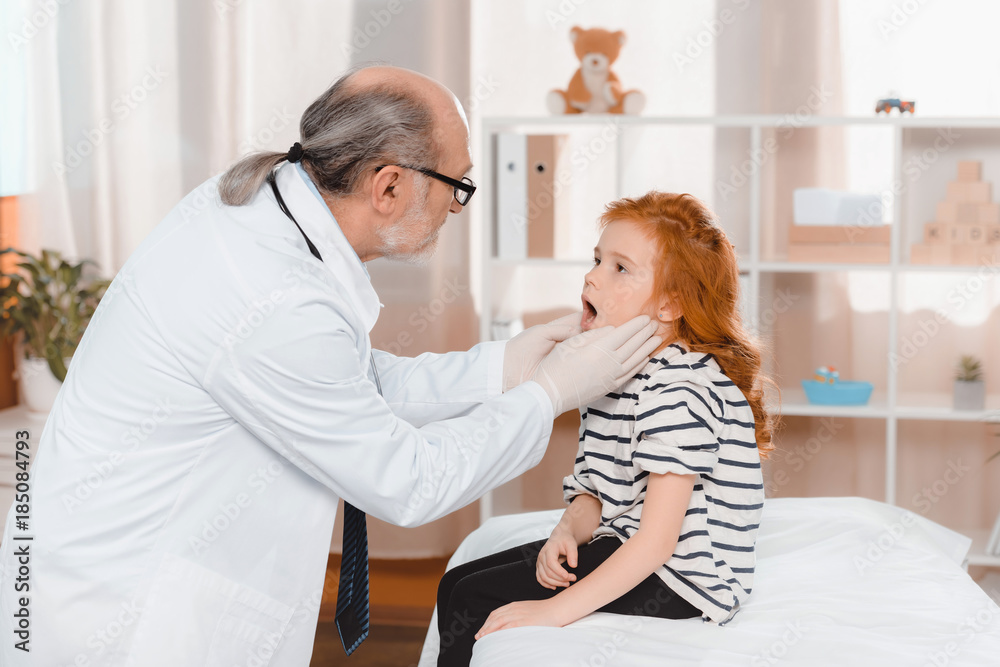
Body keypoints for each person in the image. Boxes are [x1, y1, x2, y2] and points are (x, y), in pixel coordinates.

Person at [0, 66, 663, 665]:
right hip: (122, 615)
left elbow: (348, 383)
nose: (457, 210)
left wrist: (503, 369)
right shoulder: (271, 298)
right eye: (458, 187)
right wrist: (550, 395)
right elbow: (407, 480)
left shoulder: (269, 208)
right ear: (389, 186)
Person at [434, 191, 776, 666]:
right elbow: (601, 491)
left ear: (670, 305)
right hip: (626, 543)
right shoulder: (615, 371)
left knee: (473, 597)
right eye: (597, 260)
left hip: (682, 580)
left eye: (620, 268)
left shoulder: (679, 391)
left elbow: (658, 541)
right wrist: (566, 532)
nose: (592, 276)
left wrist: (554, 612)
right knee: (455, 583)